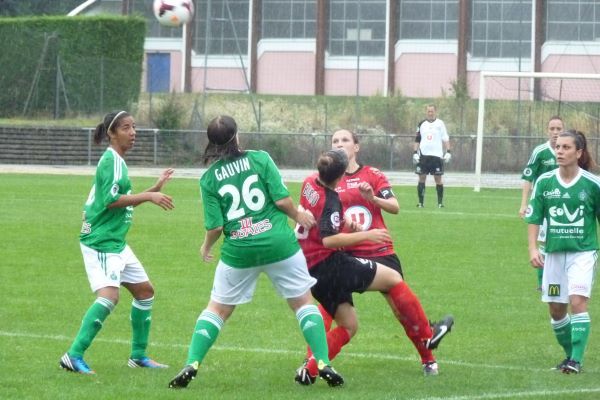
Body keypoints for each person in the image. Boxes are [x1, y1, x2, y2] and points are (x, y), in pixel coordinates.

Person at [168, 115, 344, 389]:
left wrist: (206, 247)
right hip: (279, 244)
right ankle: (322, 362)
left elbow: (215, 227)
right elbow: (282, 200)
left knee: (218, 309)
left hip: (240, 250)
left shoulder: (209, 178)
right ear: (237, 136)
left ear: (211, 143)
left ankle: (192, 362)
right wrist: (300, 215)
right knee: (303, 303)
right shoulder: (260, 159)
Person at [294, 147, 453, 386]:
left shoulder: (308, 183)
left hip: (309, 266)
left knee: (349, 326)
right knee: (392, 279)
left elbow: (319, 217)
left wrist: (346, 221)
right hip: (331, 264)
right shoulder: (331, 199)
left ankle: (310, 369)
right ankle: (428, 337)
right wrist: (367, 235)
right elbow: (329, 239)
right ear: (339, 178)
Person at [59, 111, 174, 374]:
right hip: (101, 241)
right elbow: (111, 202)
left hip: (116, 242)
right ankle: (73, 355)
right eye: (126, 127)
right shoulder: (110, 161)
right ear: (112, 133)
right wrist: (148, 197)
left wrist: (154, 188)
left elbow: (121, 198)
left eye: (134, 127)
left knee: (145, 292)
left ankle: (138, 356)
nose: (133, 132)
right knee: (110, 296)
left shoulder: (118, 162)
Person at [525, 130, 599, 374]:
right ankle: (569, 355)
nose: (560, 151)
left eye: (566, 147)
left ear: (579, 153)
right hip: (554, 254)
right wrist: (534, 248)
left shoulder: (592, 184)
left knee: (577, 302)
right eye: (558, 147)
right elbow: (534, 217)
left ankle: (575, 361)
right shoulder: (545, 182)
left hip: (583, 253)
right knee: (557, 310)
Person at [519, 116, 564, 290]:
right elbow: (528, 178)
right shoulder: (540, 152)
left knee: (561, 241)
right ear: (547, 130)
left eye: (559, 128)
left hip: (563, 205)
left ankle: (560, 279)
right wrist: (524, 204)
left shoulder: (568, 151)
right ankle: (541, 284)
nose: (555, 132)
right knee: (544, 243)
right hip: (543, 206)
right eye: (552, 128)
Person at [413, 104, 451, 208]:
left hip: (436, 156)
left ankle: (440, 203)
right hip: (424, 156)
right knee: (421, 178)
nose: (430, 113)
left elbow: (445, 138)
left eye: (432, 111)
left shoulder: (440, 123)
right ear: (426, 112)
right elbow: (417, 139)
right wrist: (415, 153)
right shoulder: (421, 124)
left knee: (438, 179)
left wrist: (448, 151)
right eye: (428, 111)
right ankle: (421, 203)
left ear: (435, 111)